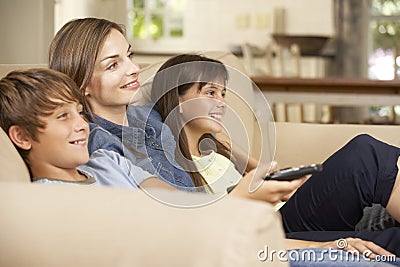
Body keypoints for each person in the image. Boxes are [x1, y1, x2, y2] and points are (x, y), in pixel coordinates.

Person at [48, 18, 399, 260]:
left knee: (384, 239)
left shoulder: (146, 113)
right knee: (364, 156)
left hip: (237, 217)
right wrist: (242, 196)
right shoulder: (96, 145)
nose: (132, 69)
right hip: (220, 231)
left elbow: (189, 113)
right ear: (80, 84)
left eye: (130, 55)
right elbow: (168, 213)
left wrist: (238, 155)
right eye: (113, 65)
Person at [150, 53, 400, 256]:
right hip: (274, 229)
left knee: (388, 236)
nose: (222, 103)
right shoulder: (175, 168)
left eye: (223, 94)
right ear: (179, 102)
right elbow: (206, 229)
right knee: (365, 155)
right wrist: (320, 248)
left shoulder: (215, 151)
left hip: (282, 213)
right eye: (210, 93)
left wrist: (228, 147)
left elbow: (264, 177)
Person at [0, 68, 175, 191]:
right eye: (62, 116)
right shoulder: (48, 197)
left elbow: (172, 200)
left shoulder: (109, 161)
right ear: (22, 137)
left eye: (80, 112)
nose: (83, 125)